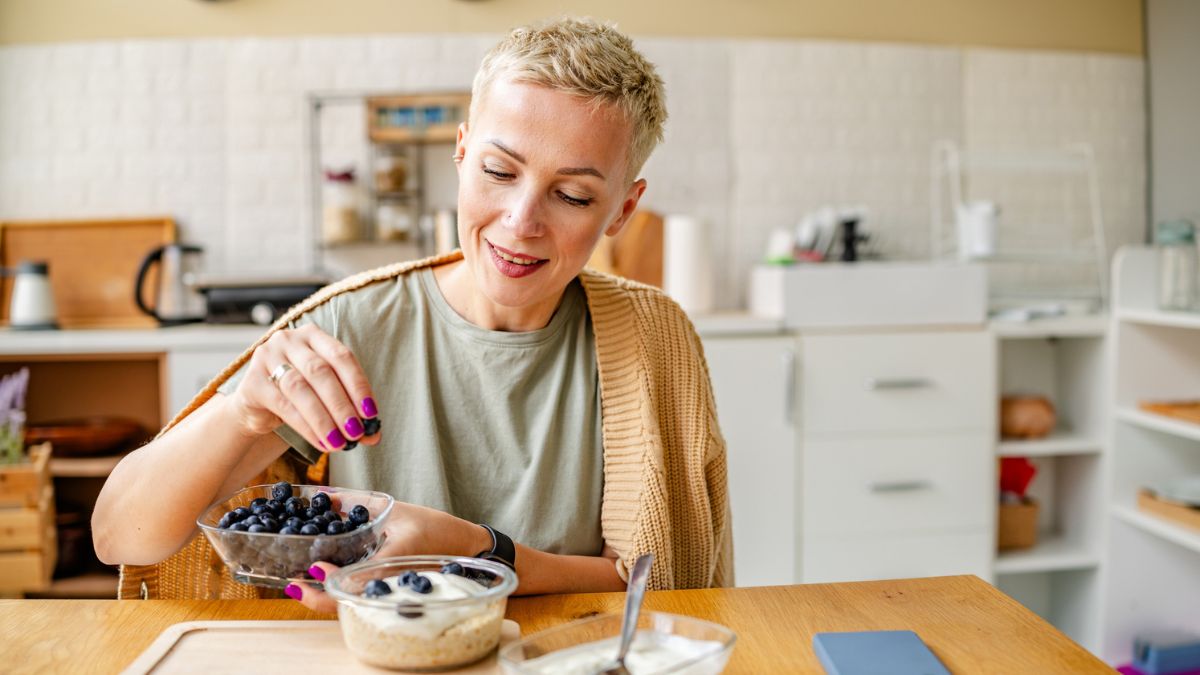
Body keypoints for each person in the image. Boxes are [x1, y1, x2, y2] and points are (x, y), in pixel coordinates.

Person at [93, 16, 732, 610]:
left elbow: (663, 587)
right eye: (497, 171)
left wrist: (474, 552)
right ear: (460, 153)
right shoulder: (347, 328)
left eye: (572, 195)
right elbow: (122, 537)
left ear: (622, 209)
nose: (521, 221)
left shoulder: (653, 340)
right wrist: (243, 412)